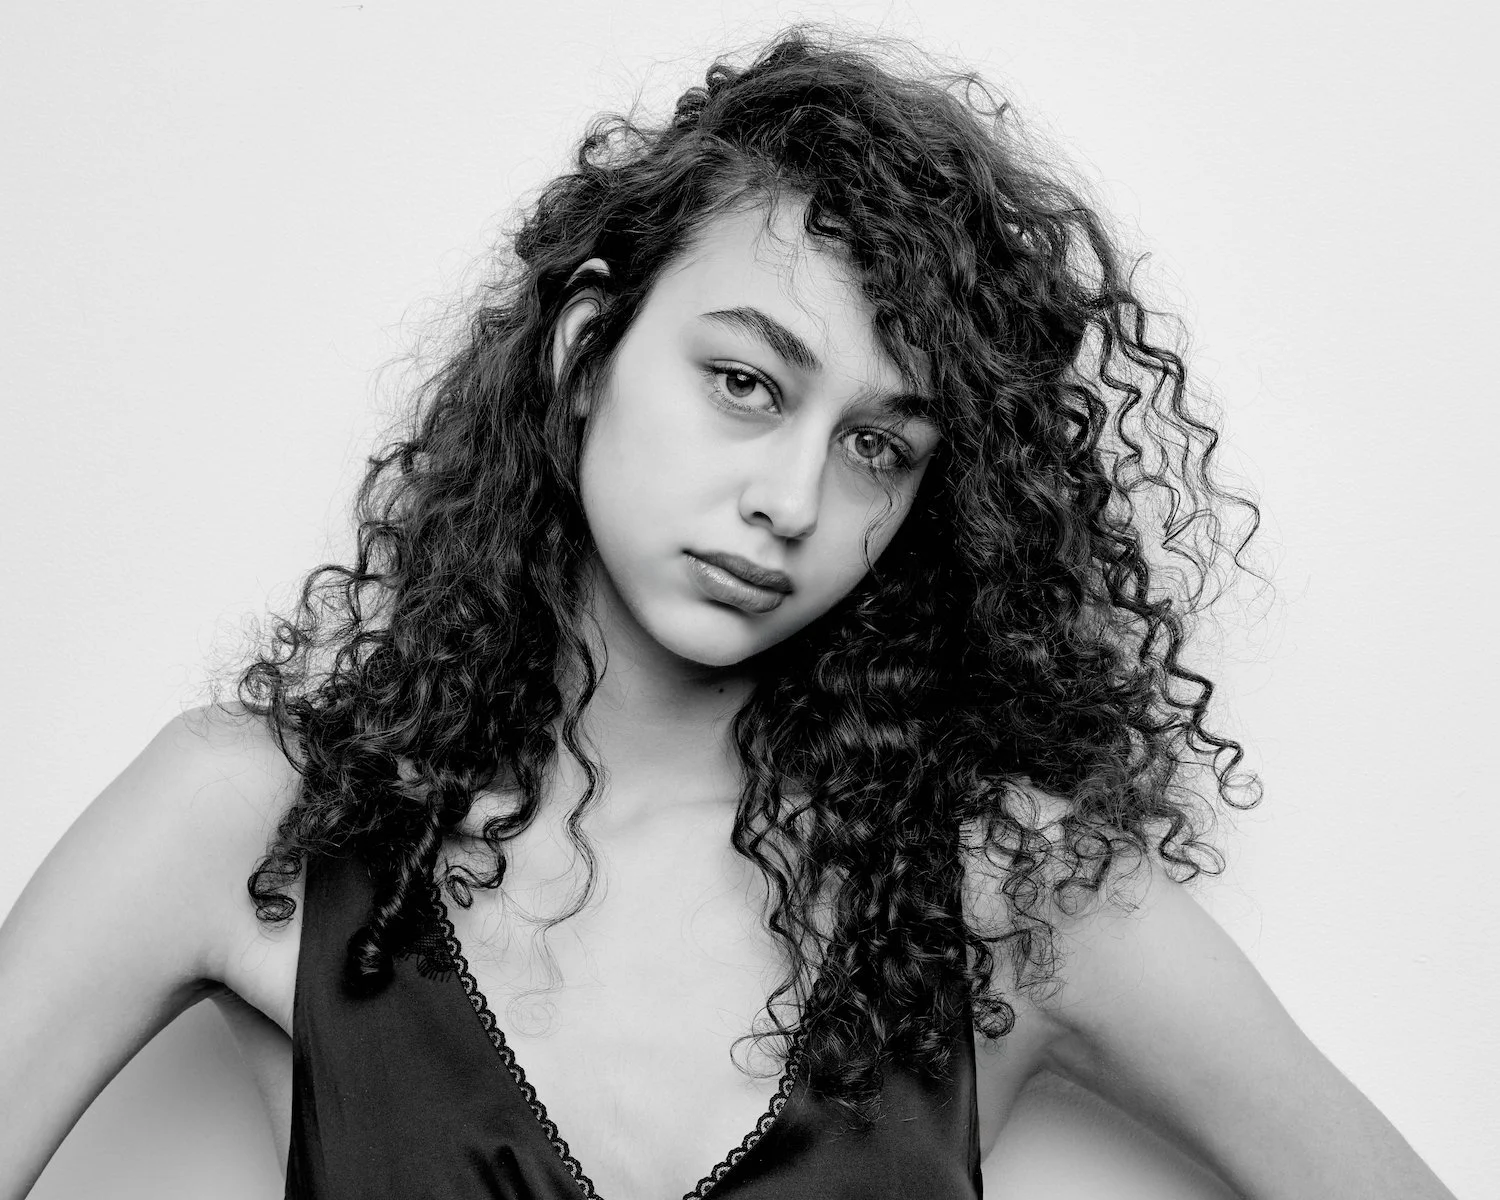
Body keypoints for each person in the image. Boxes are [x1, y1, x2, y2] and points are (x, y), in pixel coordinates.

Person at [0, 26, 1458, 1200]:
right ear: (587, 353)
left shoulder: (1013, 893)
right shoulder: (252, 823)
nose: (793, 500)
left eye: (878, 444)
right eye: (747, 383)